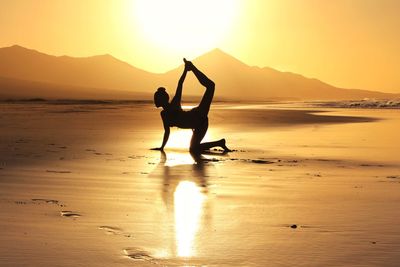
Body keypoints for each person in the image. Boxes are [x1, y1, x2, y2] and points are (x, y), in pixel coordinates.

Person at [152, 58, 231, 153]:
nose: (154, 100)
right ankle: (220, 142)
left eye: (156, 98)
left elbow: (180, 83)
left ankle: (192, 67)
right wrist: (162, 147)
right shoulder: (163, 114)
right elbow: (167, 132)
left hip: (198, 115)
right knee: (193, 149)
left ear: (162, 99)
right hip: (198, 126)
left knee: (211, 86)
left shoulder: (174, 103)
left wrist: (186, 70)